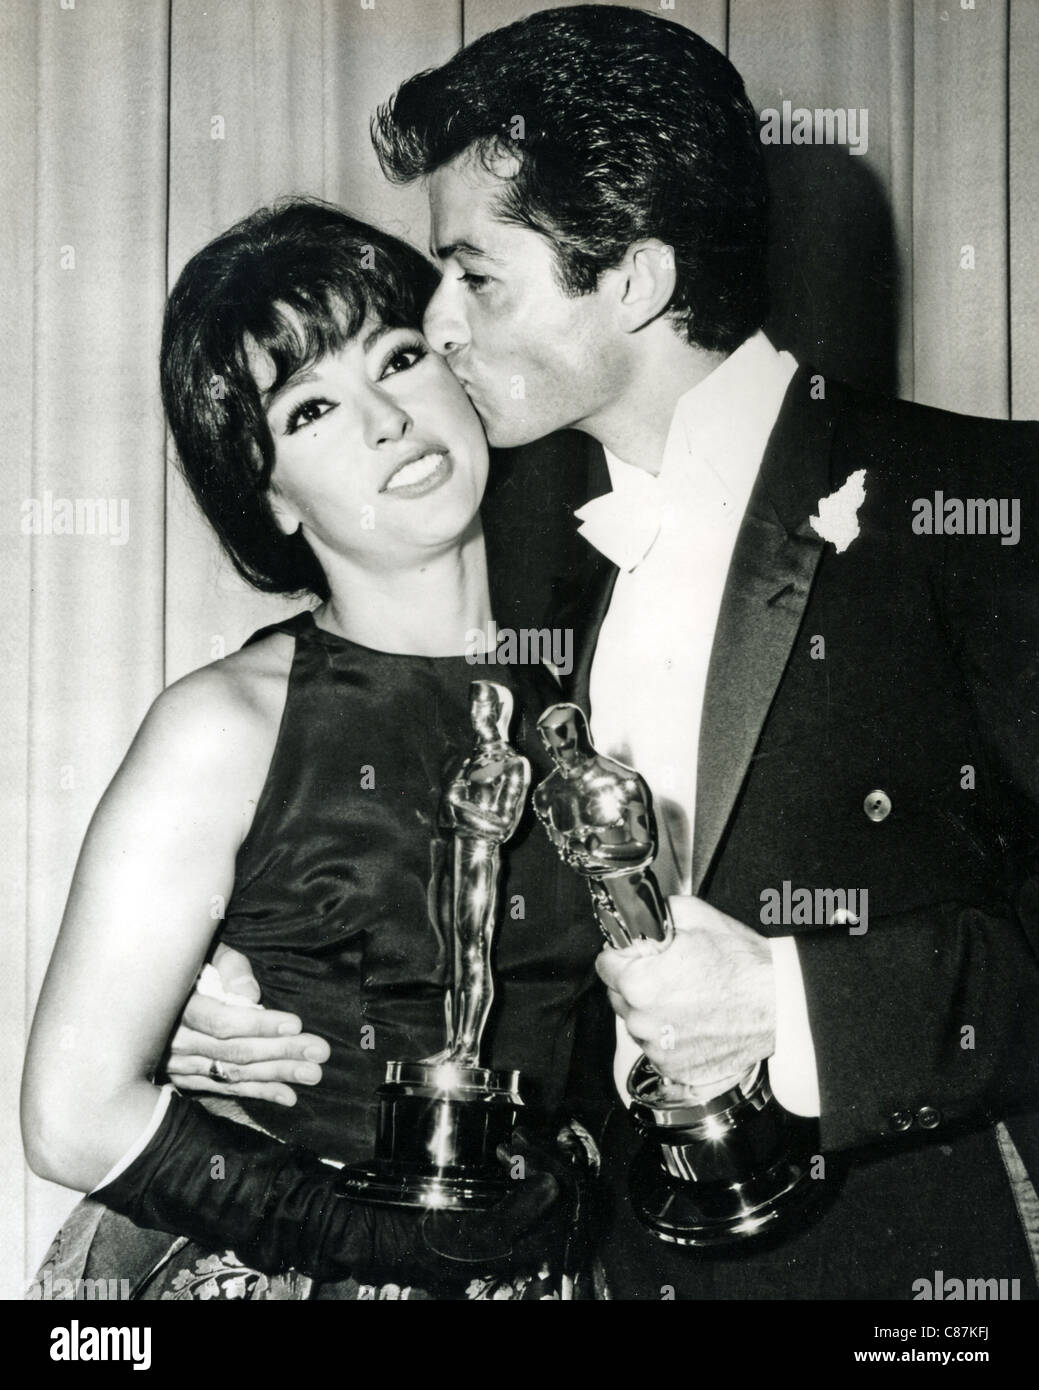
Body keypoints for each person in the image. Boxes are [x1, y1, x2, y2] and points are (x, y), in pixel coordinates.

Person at [179, 4, 1039, 1300]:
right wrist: (238, 969)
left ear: (631, 277)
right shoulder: (503, 543)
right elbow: (342, 757)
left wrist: (798, 1011)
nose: (442, 326)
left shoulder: (974, 503)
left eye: (474, 275)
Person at [21, 197, 602, 1301]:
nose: (386, 417)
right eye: (313, 408)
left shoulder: (599, 690)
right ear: (271, 496)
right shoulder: (227, 724)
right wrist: (367, 1239)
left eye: (399, 356)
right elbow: (68, 1112)